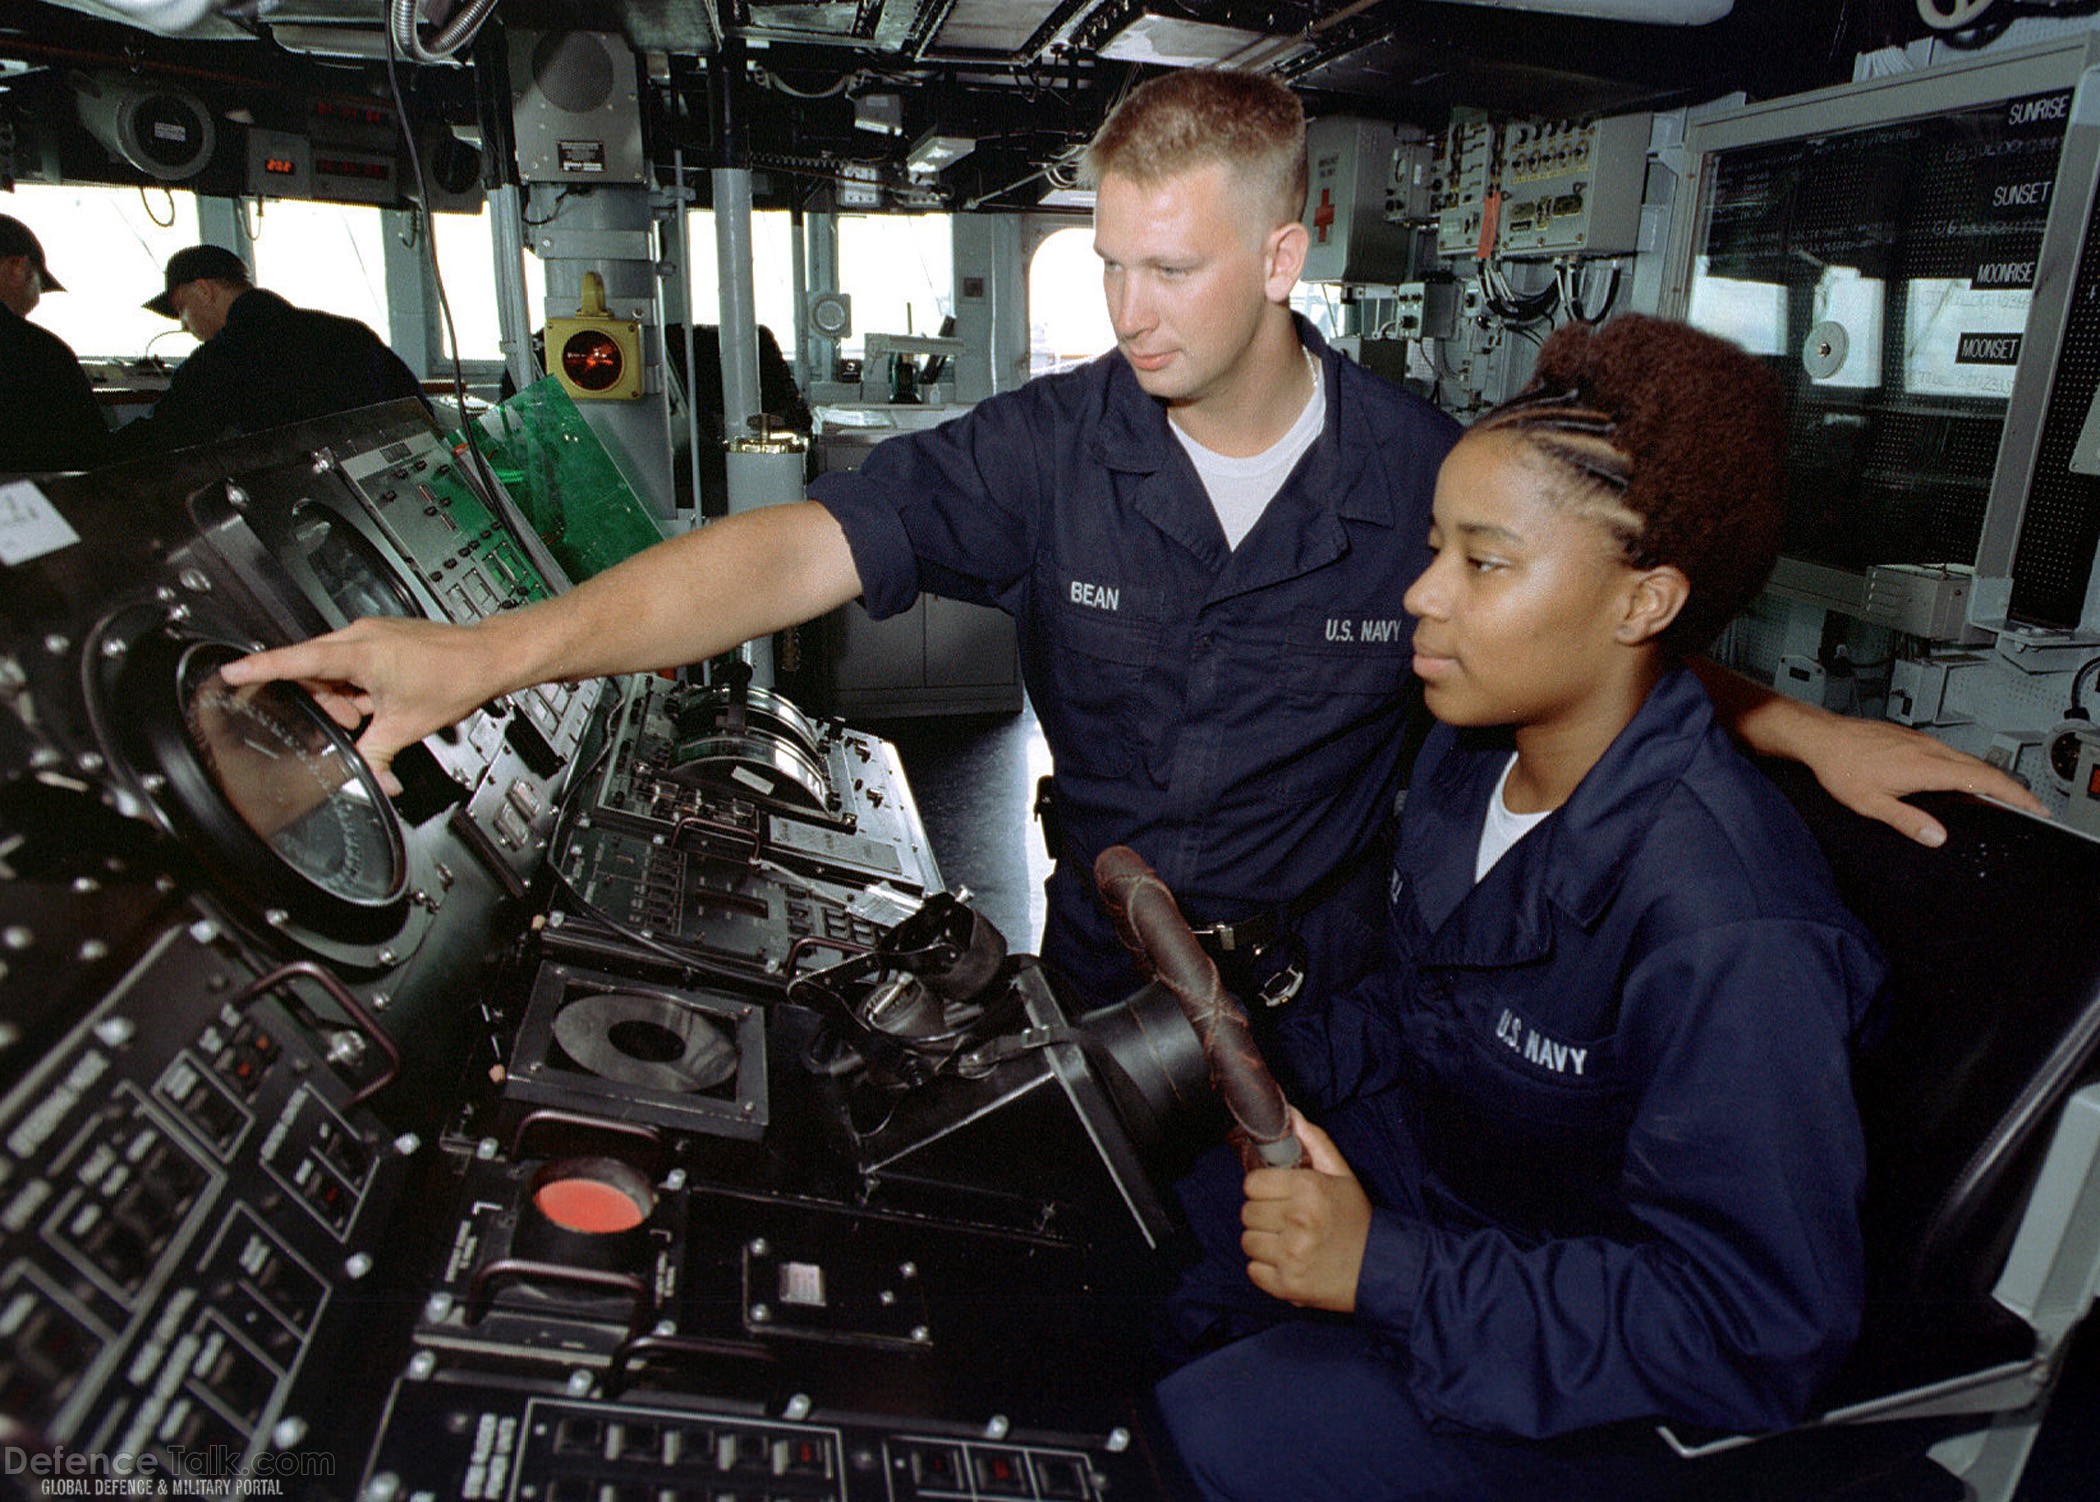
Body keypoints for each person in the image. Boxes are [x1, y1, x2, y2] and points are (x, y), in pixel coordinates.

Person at [218, 70, 2032, 1019]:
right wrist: (487, 652)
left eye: (1171, 267)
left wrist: (1807, 732)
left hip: (1339, 1000)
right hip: (1099, 965)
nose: (1129, 307)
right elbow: (788, 557)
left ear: (1279, 257)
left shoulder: (1424, 470)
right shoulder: (1051, 447)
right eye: (1107, 259)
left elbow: (1602, 645)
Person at [1154, 315, 1888, 1501]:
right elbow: (1427, 1009)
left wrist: (1384, 1271)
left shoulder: (1731, 929)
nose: (1422, 596)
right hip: (1464, 1204)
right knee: (1131, 1235)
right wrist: (1233, 1062)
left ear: (1644, 603)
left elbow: (1755, 1326)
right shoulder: (1470, 759)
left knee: (1207, 1433)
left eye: (1482, 563)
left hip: (1588, 1367)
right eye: (1434, 547)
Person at [114, 243, 427, 456]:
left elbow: (165, 435)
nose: (184, 324)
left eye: (182, 308)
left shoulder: (222, 359)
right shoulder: (351, 333)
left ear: (205, 291)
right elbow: (418, 410)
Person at [0, 214, 109, 473]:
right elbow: (92, 451)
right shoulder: (43, 353)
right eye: (39, 283)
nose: (37, 299)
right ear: (19, 267)